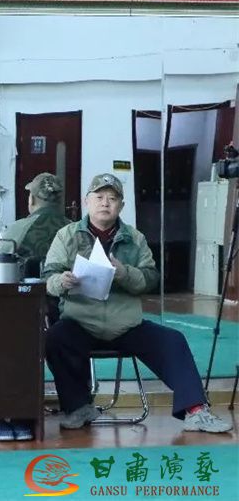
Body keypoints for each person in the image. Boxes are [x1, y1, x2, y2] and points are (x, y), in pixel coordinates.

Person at [43, 174, 232, 433]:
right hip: (81, 322)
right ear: (87, 201)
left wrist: (124, 273)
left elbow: (151, 279)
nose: (105, 203)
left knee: (172, 340)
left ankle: (196, 410)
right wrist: (61, 281)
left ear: (121, 205)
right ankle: (77, 407)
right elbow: (47, 277)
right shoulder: (66, 235)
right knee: (54, 338)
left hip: (125, 325)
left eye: (112, 198)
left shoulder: (135, 238)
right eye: (99, 197)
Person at [0, 172, 71, 442]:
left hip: (28, 313)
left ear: (32, 200)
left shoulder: (18, 229)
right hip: (70, 313)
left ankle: (4, 411)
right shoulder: (74, 230)